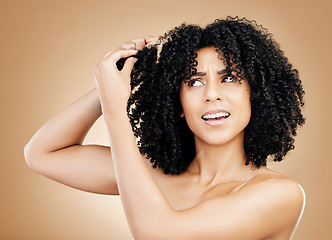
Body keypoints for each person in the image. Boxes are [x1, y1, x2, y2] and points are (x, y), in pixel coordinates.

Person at [24, 17, 306, 240]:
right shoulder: (153, 175)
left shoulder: (279, 194)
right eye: (194, 82)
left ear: (255, 93)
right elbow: (43, 153)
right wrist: (121, 79)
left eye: (229, 78)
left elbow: (158, 233)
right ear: (178, 102)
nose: (211, 94)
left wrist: (115, 109)